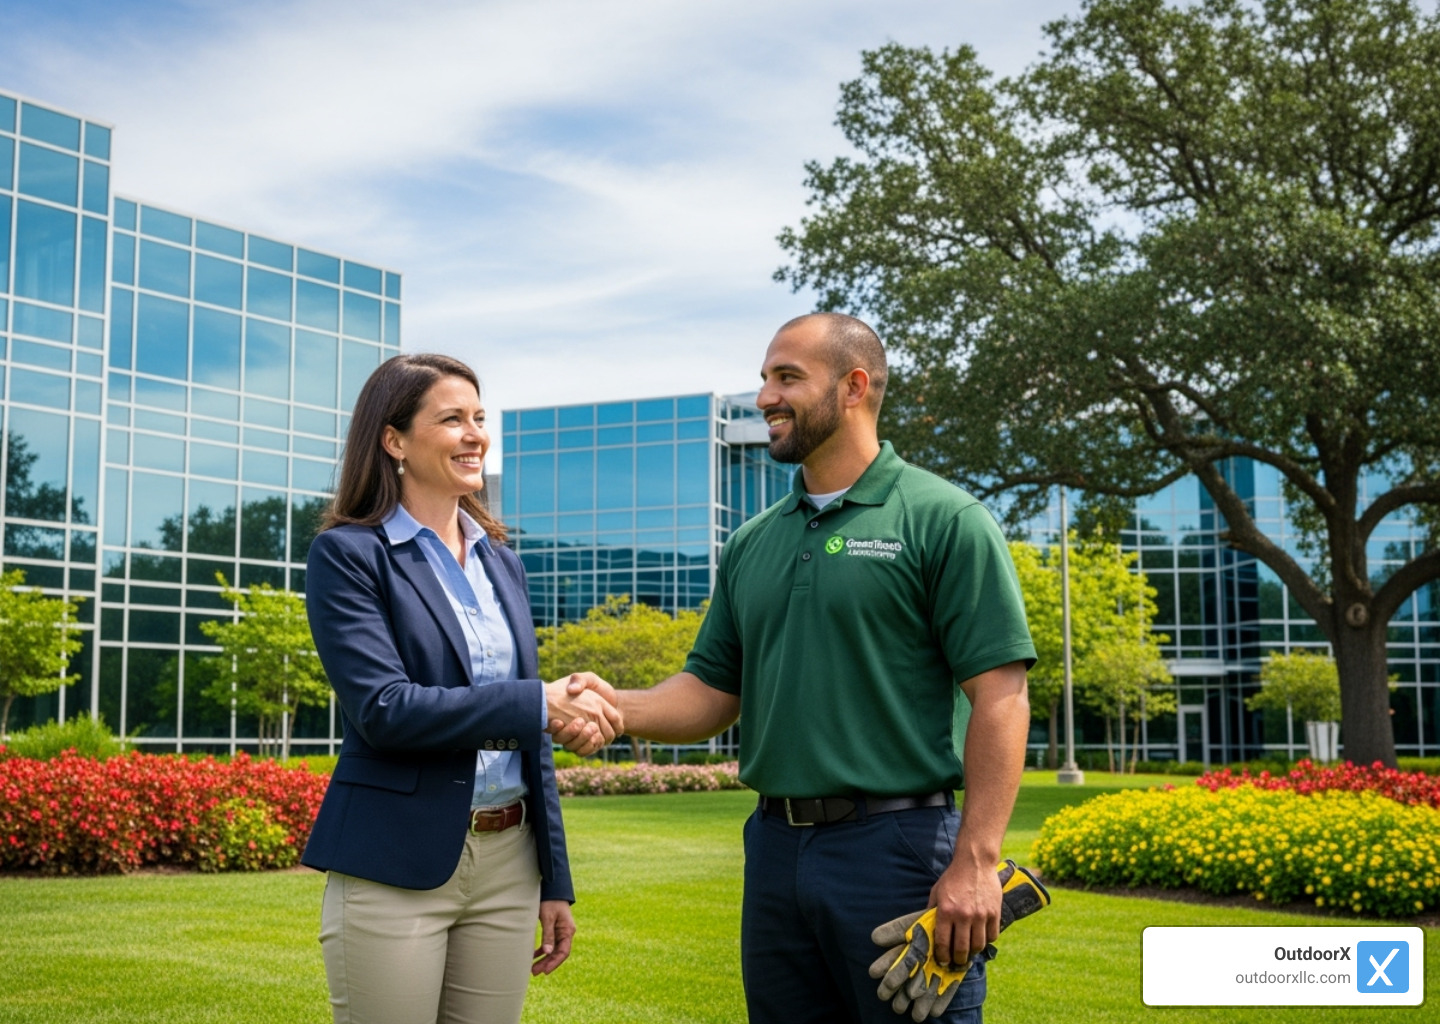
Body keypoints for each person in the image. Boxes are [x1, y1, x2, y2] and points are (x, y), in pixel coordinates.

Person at [561, 313, 1035, 1024]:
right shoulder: (754, 542)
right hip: (777, 850)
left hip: (900, 849)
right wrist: (615, 705)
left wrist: (976, 861)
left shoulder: (943, 518)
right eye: (763, 378)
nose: (764, 397)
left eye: (787, 377)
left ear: (853, 387)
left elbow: (1001, 696)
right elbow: (712, 691)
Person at [301, 353, 622, 1024]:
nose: (475, 434)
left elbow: (527, 741)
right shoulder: (349, 556)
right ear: (393, 440)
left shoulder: (502, 561)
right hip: (394, 859)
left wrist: (552, 879)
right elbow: (384, 709)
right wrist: (539, 701)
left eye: (479, 418)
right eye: (452, 419)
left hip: (510, 862)